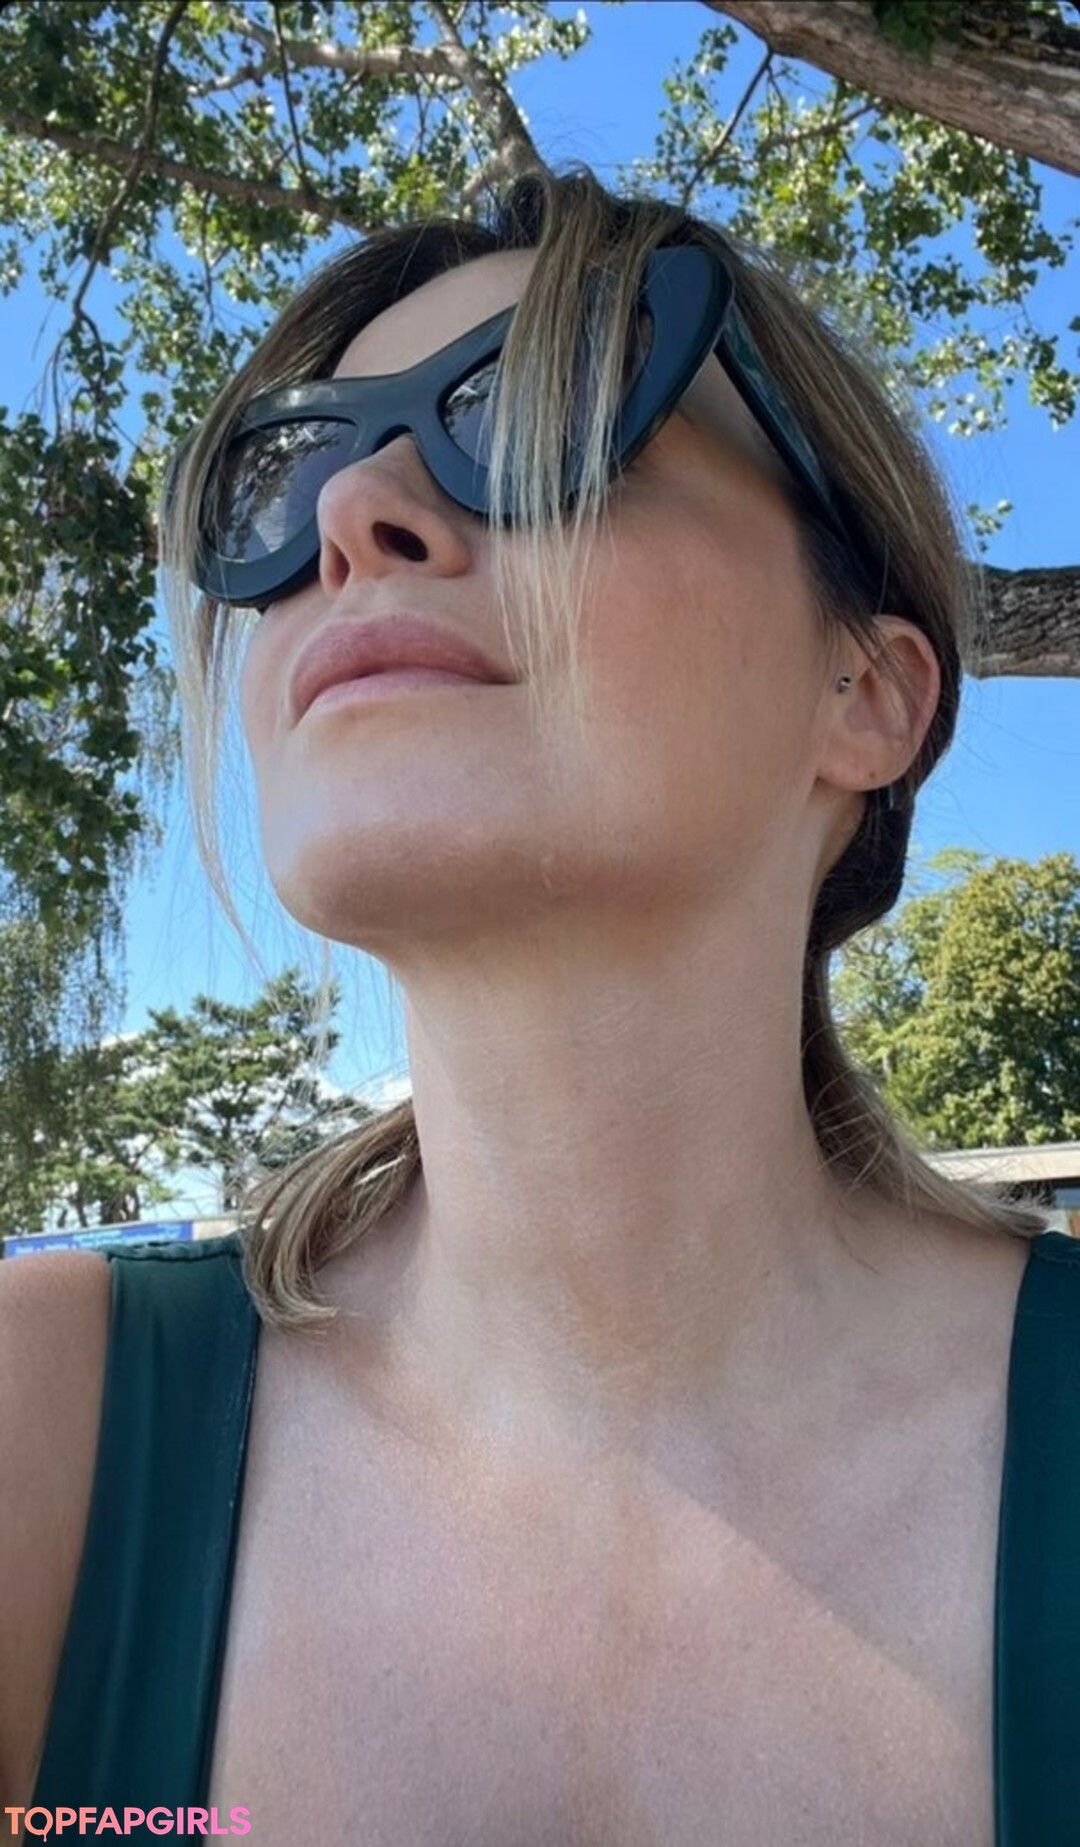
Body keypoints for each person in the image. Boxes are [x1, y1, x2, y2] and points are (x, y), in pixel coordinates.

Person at [0, 164, 1060, 1844]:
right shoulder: (40, 1419)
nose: (356, 520)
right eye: (289, 481)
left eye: (540, 419)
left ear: (862, 690)